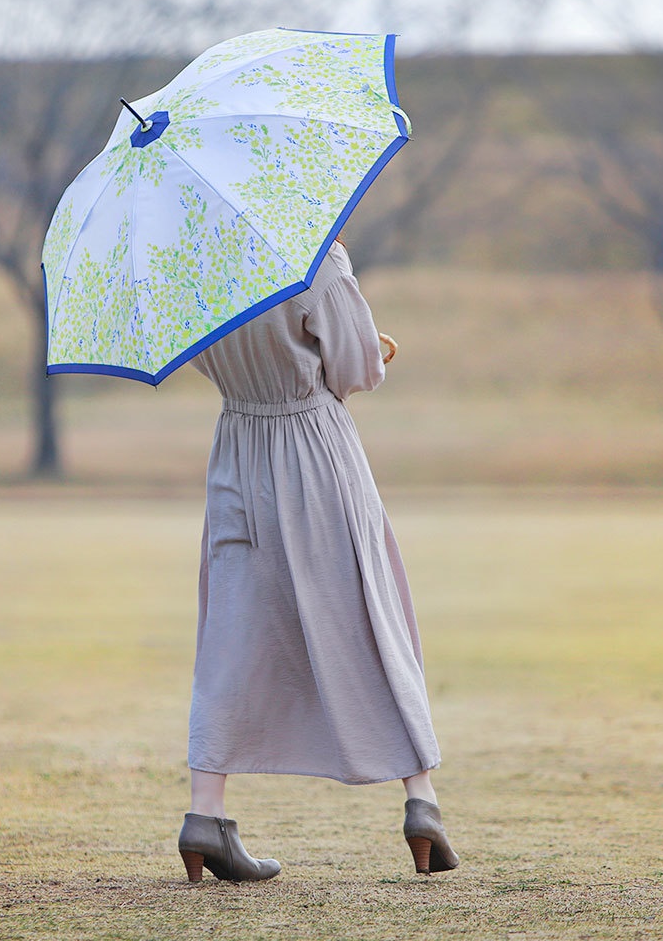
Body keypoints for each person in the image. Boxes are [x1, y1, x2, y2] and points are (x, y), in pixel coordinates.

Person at [176, 237, 459, 882]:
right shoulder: (309, 252)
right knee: (367, 613)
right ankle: (422, 803)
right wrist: (373, 347)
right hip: (312, 449)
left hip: (236, 449)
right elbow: (357, 369)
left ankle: (205, 817)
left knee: (231, 632)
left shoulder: (191, 258)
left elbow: (206, 354)